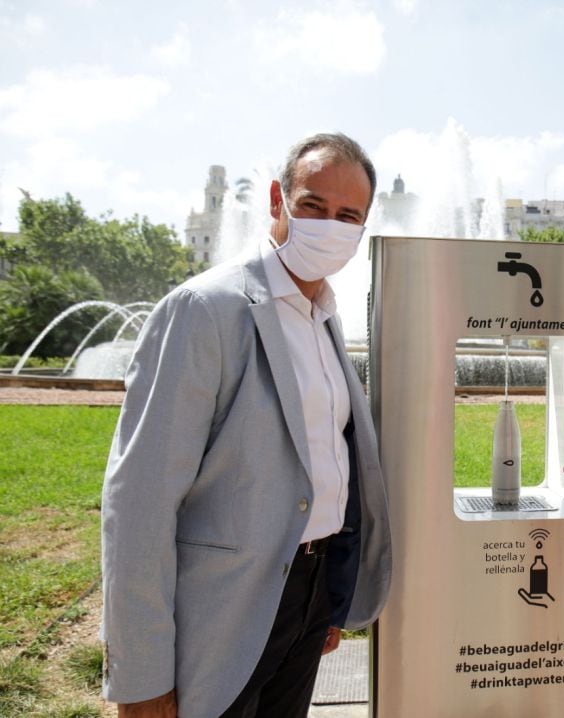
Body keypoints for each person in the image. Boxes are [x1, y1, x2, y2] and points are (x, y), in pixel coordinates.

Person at [100, 132, 392, 717]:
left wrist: (328, 598)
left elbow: (326, 464)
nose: (328, 225)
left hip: (307, 594)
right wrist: (141, 676)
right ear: (278, 200)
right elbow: (139, 501)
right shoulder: (205, 309)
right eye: (313, 206)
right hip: (224, 611)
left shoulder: (324, 316)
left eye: (347, 215)